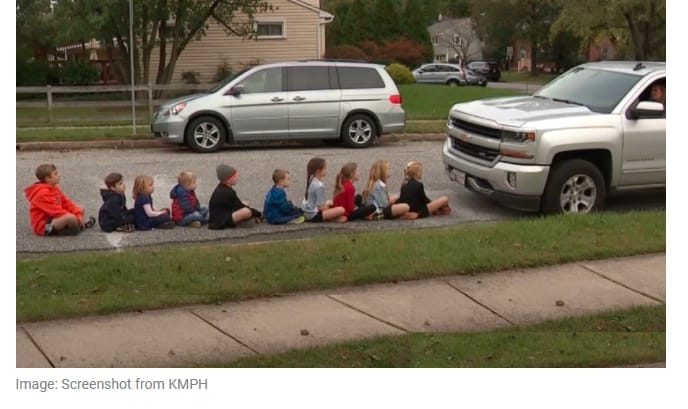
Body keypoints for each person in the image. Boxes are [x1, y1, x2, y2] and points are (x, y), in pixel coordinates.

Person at [24, 163, 95, 236]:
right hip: (44, 225)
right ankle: (78, 228)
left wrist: (78, 214)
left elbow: (67, 203)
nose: (59, 175)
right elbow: (56, 211)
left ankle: (77, 227)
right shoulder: (42, 193)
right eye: (55, 174)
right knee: (70, 218)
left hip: (55, 218)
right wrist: (76, 218)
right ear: (48, 178)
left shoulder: (54, 187)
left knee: (80, 208)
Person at [208, 164, 262, 229]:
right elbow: (240, 207)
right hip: (220, 222)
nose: (237, 178)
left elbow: (237, 204)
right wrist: (258, 213)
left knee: (246, 203)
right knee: (246, 211)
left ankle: (246, 219)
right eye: (235, 176)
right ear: (229, 179)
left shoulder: (222, 188)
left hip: (222, 215)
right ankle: (246, 221)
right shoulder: (228, 192)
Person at [303, 157, 347, 223]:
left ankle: (331, 217)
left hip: (308, 212)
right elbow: (321, 208)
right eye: (325, 168)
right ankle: (330, 218)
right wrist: (331, 209)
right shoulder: (319, 186)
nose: (326, 170)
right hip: (313, 216)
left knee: (330, 202)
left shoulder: (312, 180)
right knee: (341, 210)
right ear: (318, 171)